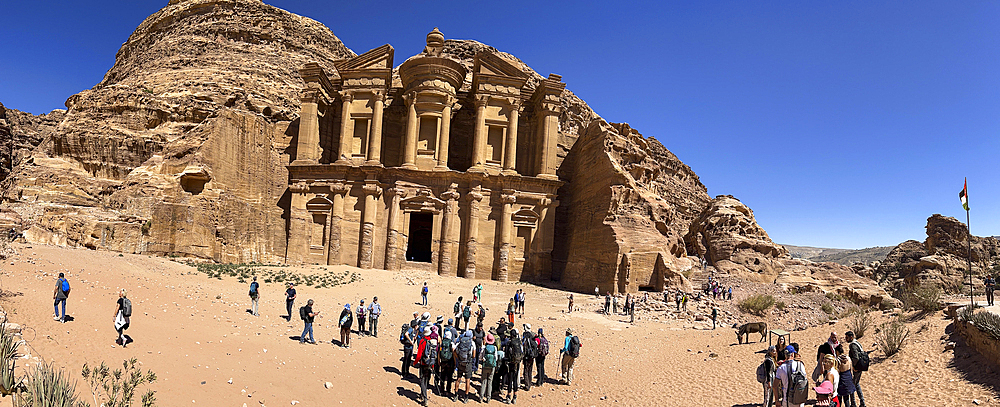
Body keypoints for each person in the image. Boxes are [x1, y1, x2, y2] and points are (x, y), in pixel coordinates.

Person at [415, 328, 437, 406]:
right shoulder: (432, 341)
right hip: (430, 364)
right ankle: (422, 394)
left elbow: (419, 354)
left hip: (423, 364)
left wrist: (415, 363)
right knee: (427, 380)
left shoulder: (422, 341)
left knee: (422, 381)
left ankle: (425, 398)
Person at [845, 331, 867, 407]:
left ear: (851, 337)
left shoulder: (853, 345)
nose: (846, 339)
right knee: (856, 384)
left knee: (852, 385)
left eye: (847, 337)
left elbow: (856, 357)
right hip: (861, 366)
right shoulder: (857, 343)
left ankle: (853, 403)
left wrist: (854, 367)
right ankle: (862, 403)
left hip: (857, 368)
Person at [454, 330, 476, 402]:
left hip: (460, 362)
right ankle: (466, 396)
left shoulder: (460, 342)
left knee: (458, 378)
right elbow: (474, 355)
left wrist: (458, 358)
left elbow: (454, 351)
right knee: (467, 380)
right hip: (468, 363)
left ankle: (455, 394)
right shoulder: (472, 343)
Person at [479, 333, 500, 403]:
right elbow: (496, 358)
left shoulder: (484, 348)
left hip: (485, 366)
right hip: (492, 366)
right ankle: (488, 398)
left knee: (483, 381)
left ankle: (481, 397)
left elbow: (480, 357)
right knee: (490, 382)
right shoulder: (495, 348)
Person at [503, 328, 522, 404]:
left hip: (511, 363)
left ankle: (508, 396)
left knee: (510, 380)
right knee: (515, 380)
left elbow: (506, 353)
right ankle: (515, 397)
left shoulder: (510, 343)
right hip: (517, 363)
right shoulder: (518, 342)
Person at [521, 324, 536, 392]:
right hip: (531, 356)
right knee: (530, 369)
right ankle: (529, 383)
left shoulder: (525, 340)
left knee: (526, 370)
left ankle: (527, 385)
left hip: (526, 356)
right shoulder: (532, 338)